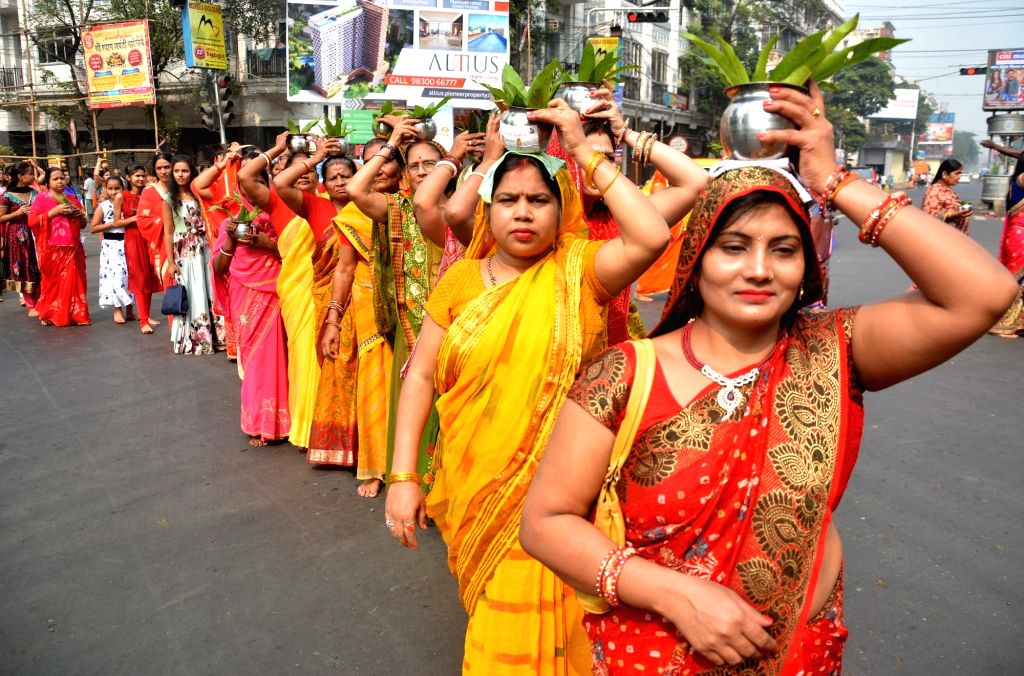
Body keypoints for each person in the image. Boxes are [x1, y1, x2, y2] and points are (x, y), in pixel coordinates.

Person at [518, 81, 1017, 673]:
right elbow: (546, 524)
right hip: (649, 652)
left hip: (796, 654)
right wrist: (675, 594)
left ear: (807, 266)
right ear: (697, 257)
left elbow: (985, 296)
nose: (758, 269)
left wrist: (835, 181)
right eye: (733, 246)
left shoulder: (835, 350)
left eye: (784, 250)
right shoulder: (625, 373)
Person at [384, 99, 706, 674]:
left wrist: (584, 149)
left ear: (563, 212)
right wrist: (404, 476)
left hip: (561, 500)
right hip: (475, 478)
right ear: (489, 210)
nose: (523, 212)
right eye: (508, 200)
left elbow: (653, 234)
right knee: (494, 616)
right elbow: (423, 378)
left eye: (539, 200)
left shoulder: (582, 270)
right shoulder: (460, 280)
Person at [347, 120, 456, 493]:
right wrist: (392, 143)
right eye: (415, 165)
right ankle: (415, 484)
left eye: (431, 163)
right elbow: (355, 188)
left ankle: (450, 486)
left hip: (460, 325)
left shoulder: (463, 207)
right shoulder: (397, 207)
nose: (423, 170)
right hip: (415, 325)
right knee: (416, 403)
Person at [274, 138, 362, 469]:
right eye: (334, 177)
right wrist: (316, 158)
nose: (340, 182)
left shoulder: (368, 207)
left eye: (346, 175)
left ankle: (363, 445)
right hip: (330, 302)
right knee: (335, 368)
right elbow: (280, 183)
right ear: (325, 183)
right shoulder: (316, 207)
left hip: (364, 300)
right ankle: (338, 446)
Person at [325, 137, 403, 496]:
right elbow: (343, 270)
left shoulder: (417, 204)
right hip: (371, 309)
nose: (382, 167)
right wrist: (333, 319)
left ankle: (415, 469)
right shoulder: (354, 214)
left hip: (413, 307)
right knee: (375, 389)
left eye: (388, 160)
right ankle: (377, 466)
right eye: (373, 161)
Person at [214, 155, 291, 444]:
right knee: (254, 355)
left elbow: (296, 256)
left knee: (280, 355)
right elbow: (220, 268)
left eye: (260, 181)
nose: (254, 187)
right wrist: (232, 241)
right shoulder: (231, 224)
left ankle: (284, 420)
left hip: (277, 290)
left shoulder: (280, 218)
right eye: (249, 183)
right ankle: (259, 420)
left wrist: (269, 244)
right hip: (244, 292)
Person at [163, 154, 224, 354]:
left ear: (192, 173)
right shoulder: (169, 199)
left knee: (210, 289)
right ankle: (197, 339)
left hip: (204, 246)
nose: (180, 175)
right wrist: (171, 262)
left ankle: (219, 337)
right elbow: (168, 232)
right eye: (177, 171)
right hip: (184, 250)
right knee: (192, 291)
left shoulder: (199, 194)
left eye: (185, 171)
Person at [28, 166, 90, 326]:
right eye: (55, 179)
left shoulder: (72, 199)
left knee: (76, 282)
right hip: (52, 249)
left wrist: (79, 215)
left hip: (73, 248)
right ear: (48, 182)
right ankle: (49, 313)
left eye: (62, 178)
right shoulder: (41, 199)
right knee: (52, 283)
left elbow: (83, 224)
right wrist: (53, 212)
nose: (60, 181)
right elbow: (32, 222)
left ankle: (77, 315)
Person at [117, 164, 161, 334]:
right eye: (137, 176)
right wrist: (136, 218)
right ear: (128, 177)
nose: (141, 179)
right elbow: (116, 222)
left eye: (143, 175)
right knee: (140, 277)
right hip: (133, 238)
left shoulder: (149, 194)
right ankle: (143, 320)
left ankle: (146, 315)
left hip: (150, 236)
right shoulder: (122, 196)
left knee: (149, 276)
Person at [90, 175, 135, 324]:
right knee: (116, 277)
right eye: (110, 188)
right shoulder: (103, 207)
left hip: (127, 243)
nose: (114, 192)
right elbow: (93, 228)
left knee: (129, 276)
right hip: (111, 246)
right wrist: (111, 224)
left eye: (117, 188)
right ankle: (117, 308)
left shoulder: (127, 204)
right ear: (106, 189)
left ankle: (129, 308)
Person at [0, 161, 42, 314]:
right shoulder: (7, 196)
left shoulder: (34, 193)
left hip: (36, 233)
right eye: (30, 173)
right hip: (17, 235)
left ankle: (41, 301)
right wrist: (17, 214)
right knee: (23, 268)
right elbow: (1, 217)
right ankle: (31, 305)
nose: (33, 176)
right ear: (20, 176)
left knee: (37, 267)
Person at [990, 155, 1024, 337]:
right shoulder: (1022, 178)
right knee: (1018, 280)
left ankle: (1019, 322)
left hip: (1018, 233)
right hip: (1020, 235)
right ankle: (1007, 322)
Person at [922, 158, 971, 234]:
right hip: (942, 238)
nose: (959, 177)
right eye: (957, 173)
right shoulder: (935, 191)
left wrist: (966, 208)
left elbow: (956, 204)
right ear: (945, 174)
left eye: (960, 173)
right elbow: (929, 217)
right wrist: (950, 214)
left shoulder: (948, 189)